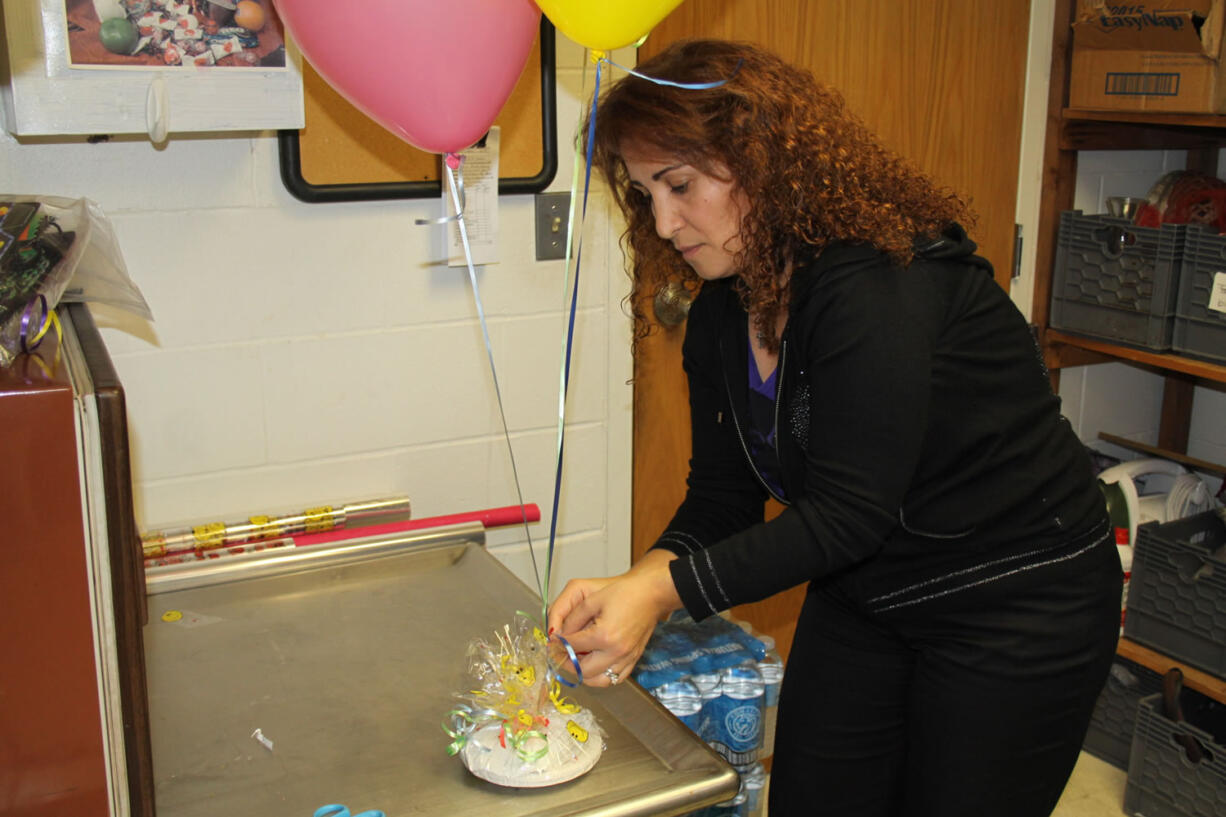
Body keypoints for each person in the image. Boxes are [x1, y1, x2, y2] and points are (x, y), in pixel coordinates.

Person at [546, 39, 1122, 817]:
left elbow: (850, 513)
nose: (663, 219)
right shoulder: (724, 307)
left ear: (760, 159)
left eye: (678, 184)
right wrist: (635, 583)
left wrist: (660, 591)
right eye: (645, 193)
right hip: (872, 589)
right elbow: (723, 496)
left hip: (1014, 605)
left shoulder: (878, 286)